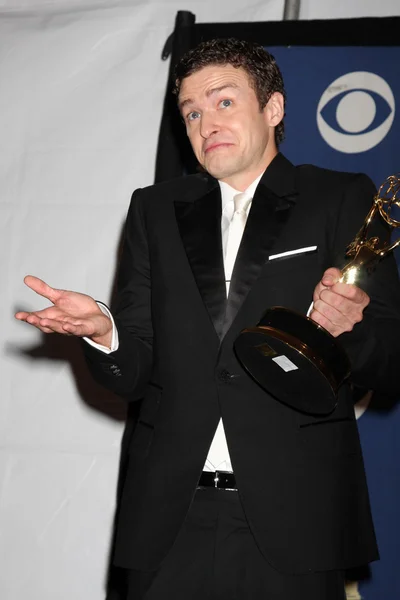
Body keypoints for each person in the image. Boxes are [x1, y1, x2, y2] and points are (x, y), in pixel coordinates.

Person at [15, 38, 400, 599]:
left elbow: (392, 361)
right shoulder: (156, 208)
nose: (204, 122)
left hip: (296, 520)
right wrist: (106, 335)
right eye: (191, 112)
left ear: (273, 108)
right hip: (170, 521)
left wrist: (351, 332)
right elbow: (134, 368)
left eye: (223, 102)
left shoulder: (338, 197)